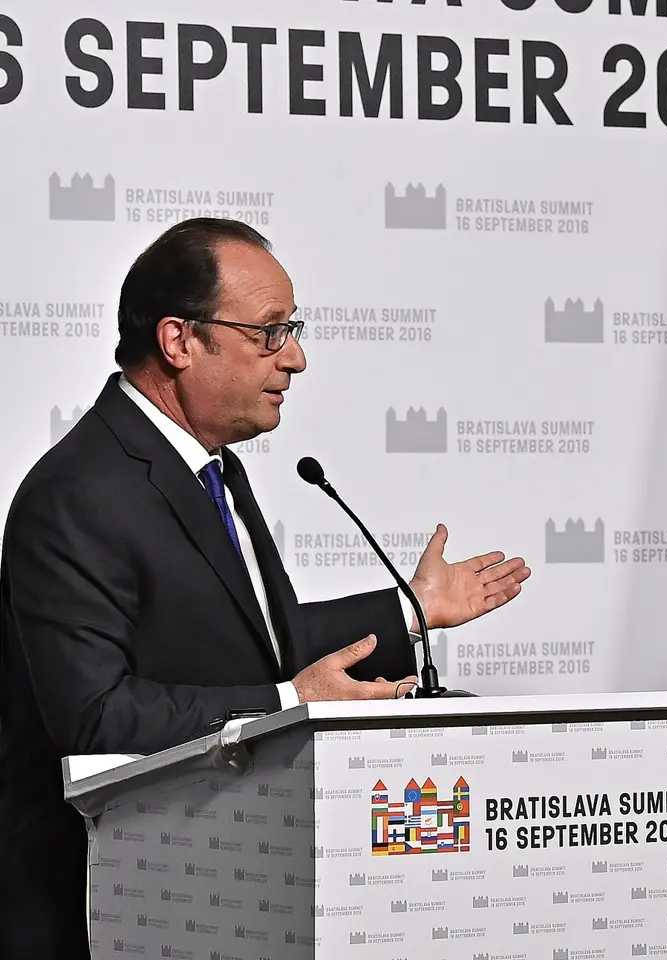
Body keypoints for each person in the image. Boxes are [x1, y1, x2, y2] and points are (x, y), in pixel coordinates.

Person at [0, 218, 532, 959]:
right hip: (110, 907)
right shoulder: (77, 492)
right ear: (179, 340)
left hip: (221, 888)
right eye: (270, 332)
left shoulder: (213, 465)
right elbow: (96, 716)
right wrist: (288, 702)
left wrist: (410, 611)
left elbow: (252, 641)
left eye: (293, 330)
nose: (296, 357)